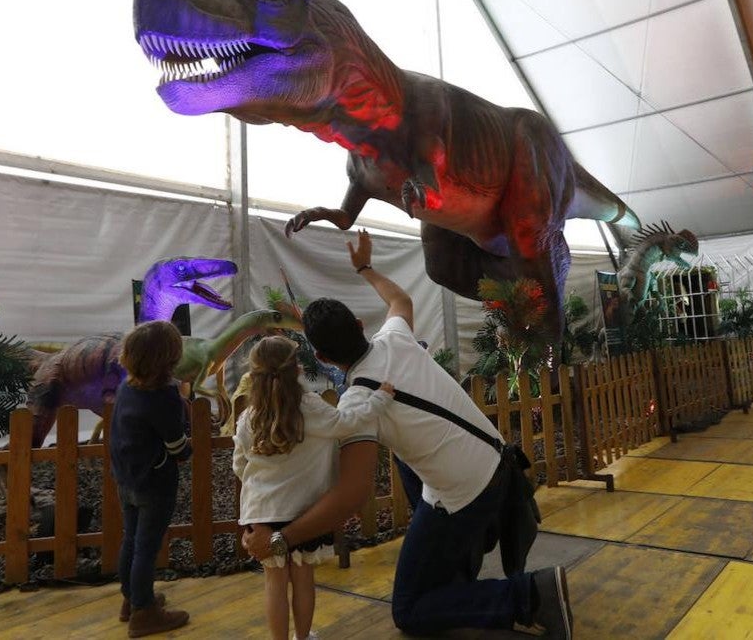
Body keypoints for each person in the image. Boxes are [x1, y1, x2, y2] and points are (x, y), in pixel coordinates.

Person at [244, 230, 574, 638]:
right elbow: (400, 300)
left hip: (465, 492)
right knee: (404, 457)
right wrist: (364, 267)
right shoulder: (395, 337)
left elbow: (352, 494)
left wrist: (280, 539)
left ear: (324, 358)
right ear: (361, 326)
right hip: (498, 461)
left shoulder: (357, 407)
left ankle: (530, 595)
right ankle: (457, 558)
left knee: (410, 609)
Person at [233, 335, 391, 640]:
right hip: (304, 512)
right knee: (303, 578)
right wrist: (380, 397)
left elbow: (240, 464)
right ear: (297, 368)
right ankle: (303, 637)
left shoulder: (248, 418)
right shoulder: (310, 407)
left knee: (275, 582)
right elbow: (348, 422)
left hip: (263, 513)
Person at [109, 320, 191, 637]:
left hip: (126, 477)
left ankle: (132, 599)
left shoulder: (126, 387)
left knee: (131, 540)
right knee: (147, 547)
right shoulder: (165, 396)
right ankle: (144, 613)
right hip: (155, 483)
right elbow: (176, 445)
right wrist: (188, 449)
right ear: (169, 358)